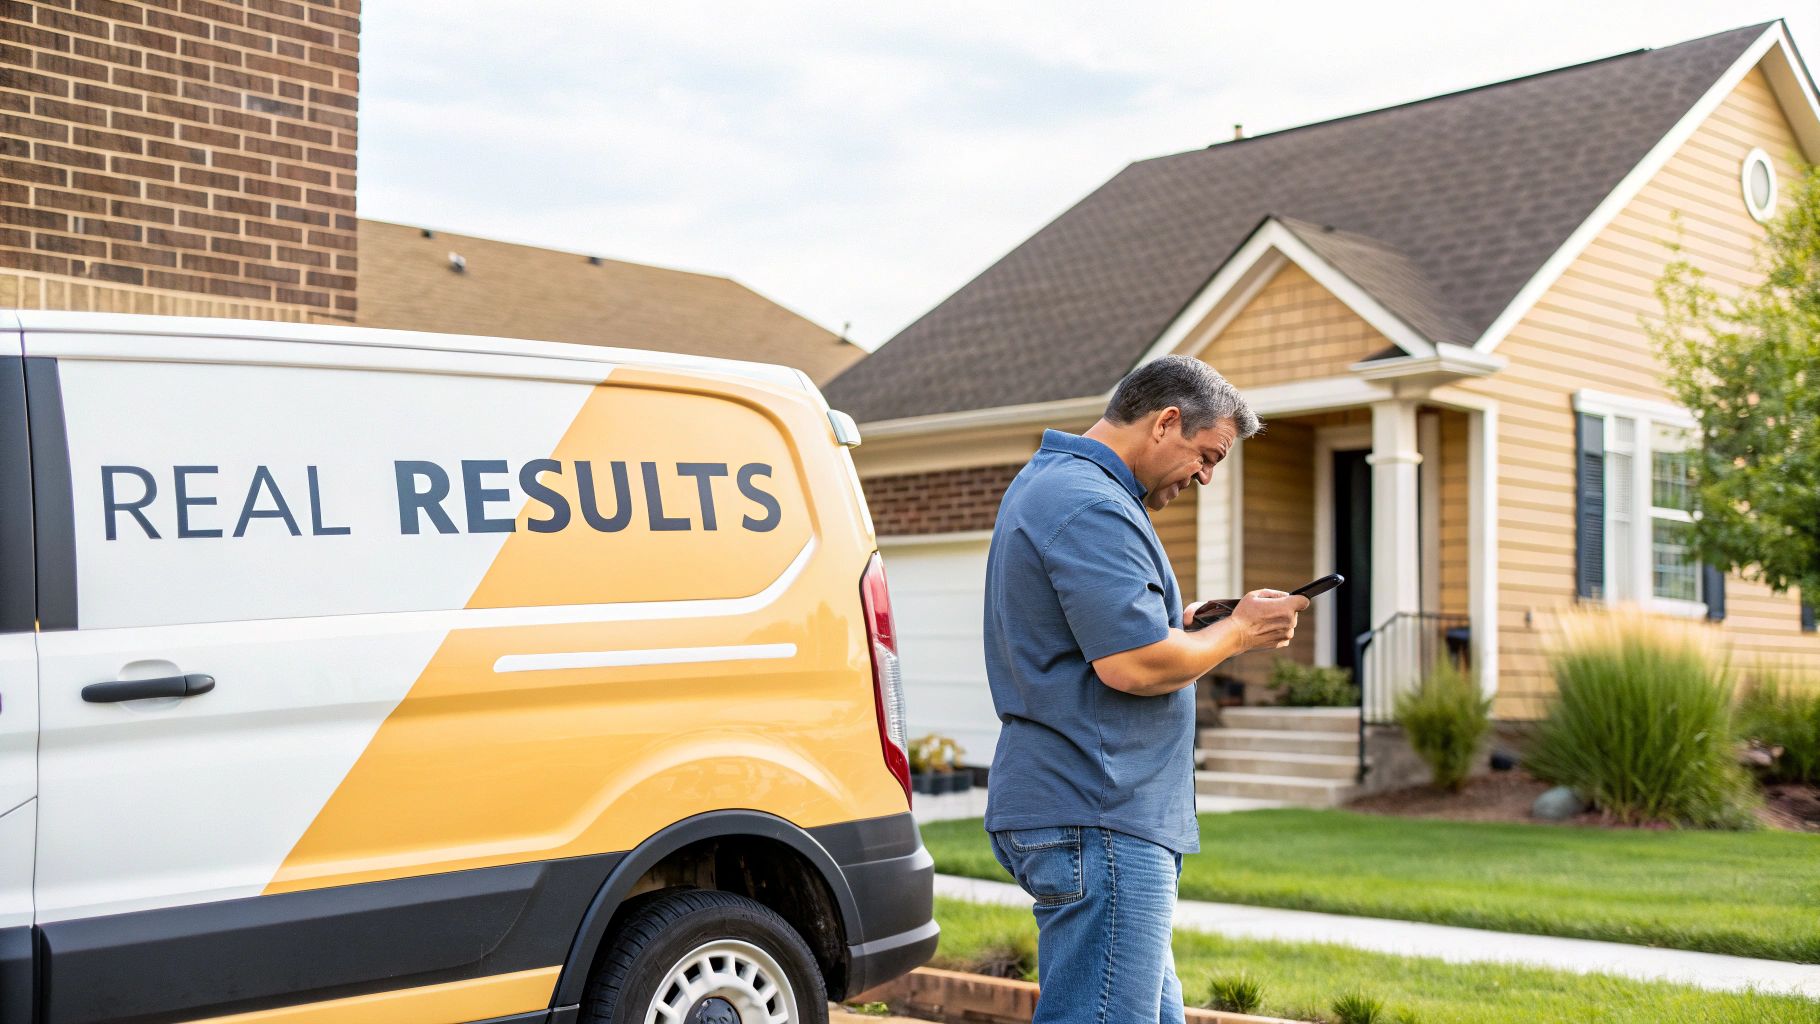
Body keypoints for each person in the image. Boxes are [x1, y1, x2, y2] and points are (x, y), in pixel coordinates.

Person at [982, 355, 1306, 1023]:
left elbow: (1107, 638)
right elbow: (1131, 665)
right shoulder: (1089, 504)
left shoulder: (1061, 488)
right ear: (1165, 422)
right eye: (1207, 455)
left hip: (1094, 809)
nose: (1207, 477)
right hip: (1099, 808)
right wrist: (1241, 633)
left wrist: (1185, 628)